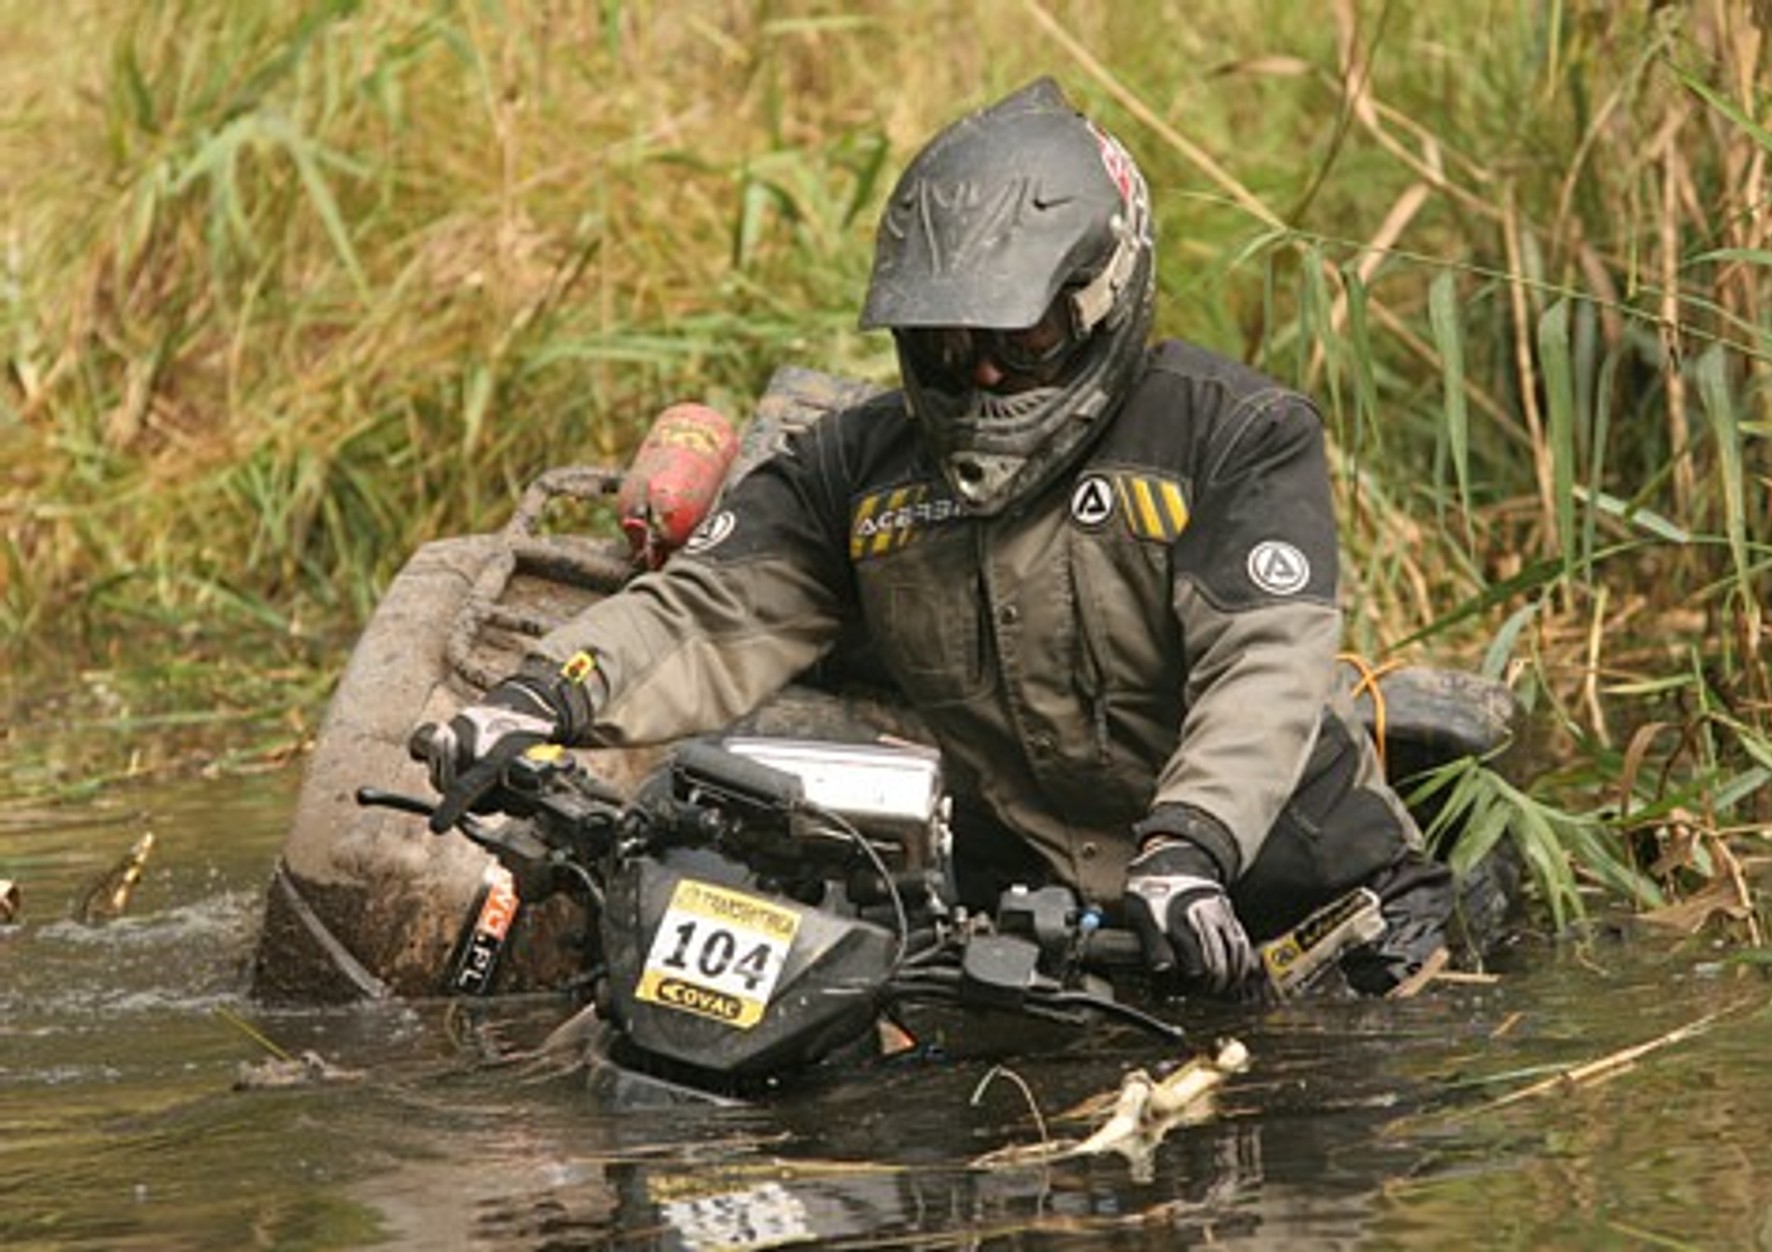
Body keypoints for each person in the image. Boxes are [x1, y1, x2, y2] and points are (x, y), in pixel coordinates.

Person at [413, 77, 1455, 999]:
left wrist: (1187, 846)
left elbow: (1263, 672)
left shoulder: (1233, 436)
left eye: (1019, 338)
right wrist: (539, 696)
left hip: (1301, 916)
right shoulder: (853, 468)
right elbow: (707, 608)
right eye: (947, 345)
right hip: (1043, 937)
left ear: (1098, 297)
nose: (983, 376)